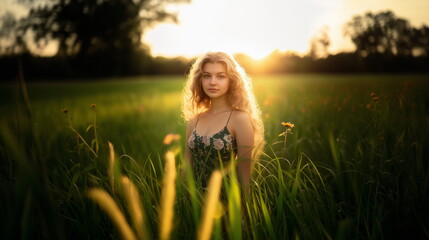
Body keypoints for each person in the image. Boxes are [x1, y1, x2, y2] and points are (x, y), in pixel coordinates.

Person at [182, 51, 265, 195]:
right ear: (200, 80)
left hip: (225, 200)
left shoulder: (240, 119)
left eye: (220, 76)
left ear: (231, 80)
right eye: (207, 76)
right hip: (193, 201)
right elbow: (186, 167)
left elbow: (245, 177)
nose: (212, 82)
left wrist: (244, 212)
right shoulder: (194, 120)